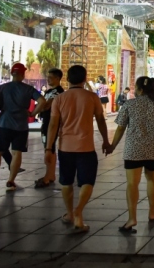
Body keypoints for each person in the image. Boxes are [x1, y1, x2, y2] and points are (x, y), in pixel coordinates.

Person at [108, 76, 154, 233]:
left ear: (140, 89)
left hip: (133, 150)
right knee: (152, 179)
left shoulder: (129, 104)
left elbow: (120, 128)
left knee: (132, 184)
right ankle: (152, 213)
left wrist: (112, 146)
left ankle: (132, 218)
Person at [46, 65, 110, 233]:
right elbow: (101, 120)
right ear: (84, 79)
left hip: (65, 147)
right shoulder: (92, 97)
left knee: (66, 181)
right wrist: (105, 140)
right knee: (87, 181)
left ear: (67, 79)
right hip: (86, 147)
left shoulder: (59, 99)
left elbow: (53, 125)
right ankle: (78, 211)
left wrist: (48, 147)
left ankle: (69, 213)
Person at [0, 63, 47, 192]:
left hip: (4, 125)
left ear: (12, 73)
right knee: (17, 153)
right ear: (23, 74)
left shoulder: (3, 87)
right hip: (21, 126)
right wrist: (33, 113)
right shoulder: (28, 89)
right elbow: (42, 101)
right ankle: (11, 181)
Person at [31, 68, 64, 189]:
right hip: (46, 122)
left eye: (51, 77)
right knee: (48, 148)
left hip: (51, 122)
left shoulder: (58, 92)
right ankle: (50, 174)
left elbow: (46, 106)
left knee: (49, 148)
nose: (48, 79)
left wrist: (35, 111)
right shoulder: (50, 91)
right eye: (48, 77)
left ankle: (49, 175)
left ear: (57, 78)